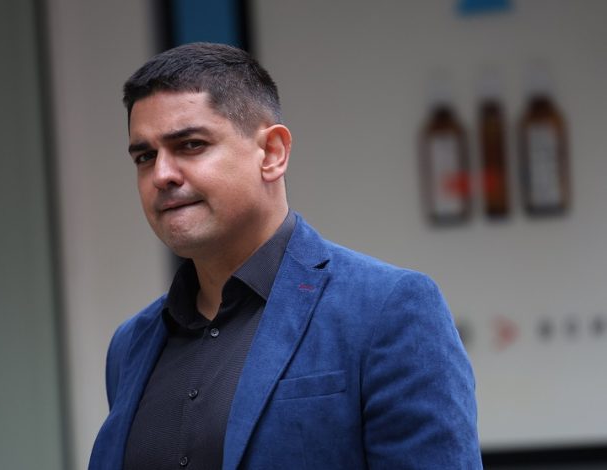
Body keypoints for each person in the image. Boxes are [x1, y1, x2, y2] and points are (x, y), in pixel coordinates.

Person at [88, 42, 482, 469]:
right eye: (145, 156)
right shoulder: (130, 346)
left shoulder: (387, 311)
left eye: (191, 145)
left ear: (272, 153)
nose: (162, 175)